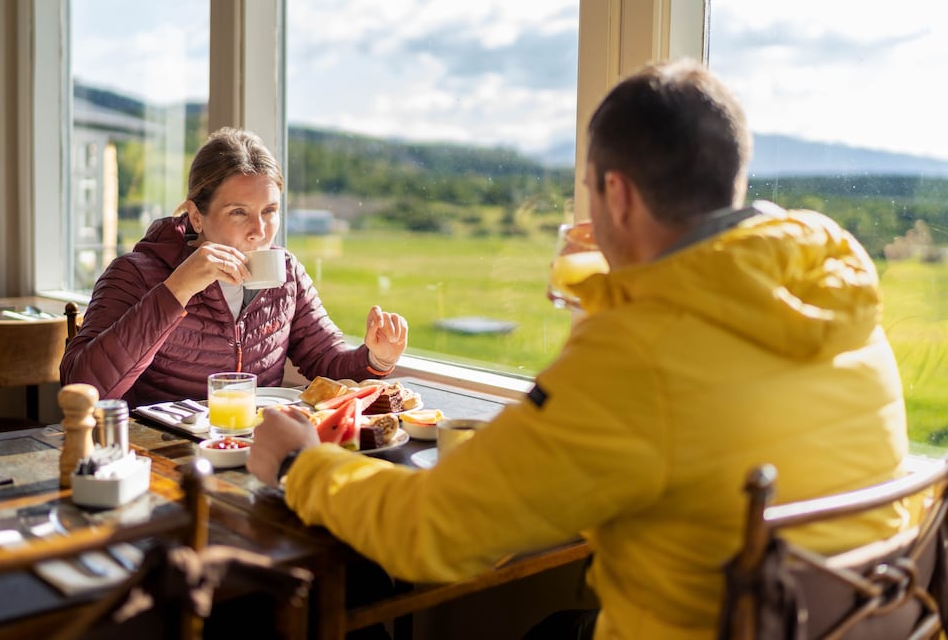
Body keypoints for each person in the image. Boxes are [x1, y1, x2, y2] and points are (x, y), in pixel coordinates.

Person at [246, 60, 910, 639]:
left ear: (615, 193)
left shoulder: (637, 353)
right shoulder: (833, 297)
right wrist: (617, 298)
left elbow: (433, 533)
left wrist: (301, 464)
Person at [60, 127, 408, 408]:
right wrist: (177, 289)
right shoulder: (135, 274)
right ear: (197, 216)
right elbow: (81, 387)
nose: (259, 231)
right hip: (161, 452)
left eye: (269, 211)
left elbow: (327, 361)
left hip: (253, 447)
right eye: (239, 212)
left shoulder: (286, 273)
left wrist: (376, 358)